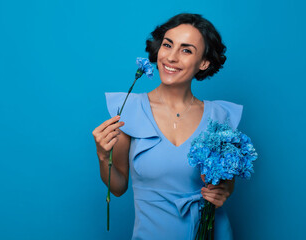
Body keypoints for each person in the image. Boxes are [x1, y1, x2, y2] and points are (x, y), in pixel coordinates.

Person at [92, 13, 242, 239]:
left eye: (186, 50)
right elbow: (118, 187)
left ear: (204, 62)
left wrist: (224, 192)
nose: (171, 57)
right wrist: (103, 156)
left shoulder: (220, 117)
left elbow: (226, 184)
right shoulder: (129, 110)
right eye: (167, 45)